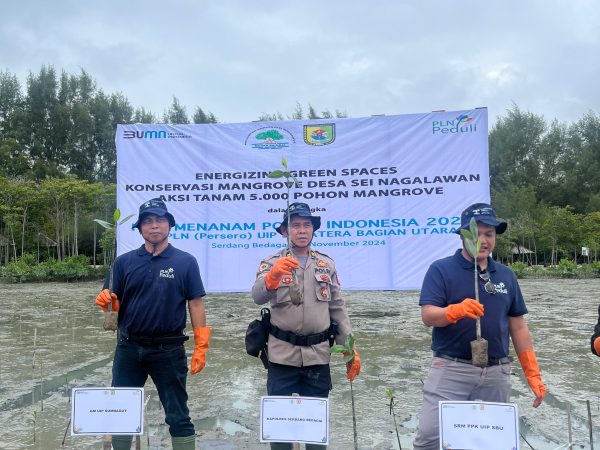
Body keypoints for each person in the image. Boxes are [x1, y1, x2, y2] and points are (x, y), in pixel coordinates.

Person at [413, 203, 547, 450]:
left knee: (492, 442)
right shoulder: (441, 269)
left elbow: (518, 327)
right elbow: (428, 315)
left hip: (497, 373)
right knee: (429, 441)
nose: (483, 240)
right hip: (450, 369)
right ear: (464, 235)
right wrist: (454, 311)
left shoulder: (506, 275)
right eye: (477, 233)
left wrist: (532, 373)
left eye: (489, 234)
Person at [95, 198, 210, 450]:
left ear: (169, 225)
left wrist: (202, 344)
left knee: (178, 415)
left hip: (168, 350)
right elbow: (114, 304)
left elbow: (196, 303)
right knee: (121, 412)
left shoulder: (185, 261)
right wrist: (106, 303)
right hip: (128, 348)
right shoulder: (123, 263)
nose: (154, 226)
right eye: (148, 221)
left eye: (160, 220)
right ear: (139, 228)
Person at [252, 202, 361, 450]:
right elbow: (257, 296)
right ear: (284, 231)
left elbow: (337, 308)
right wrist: (272, 278)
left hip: (318, 355)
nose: (302, 230)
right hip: (282, 355)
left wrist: (349, 348)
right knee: (279, 429)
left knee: (314, 429)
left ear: (313, 230)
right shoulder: (271, 263)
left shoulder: (326, 265)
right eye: (295, 225)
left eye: (307, 225)